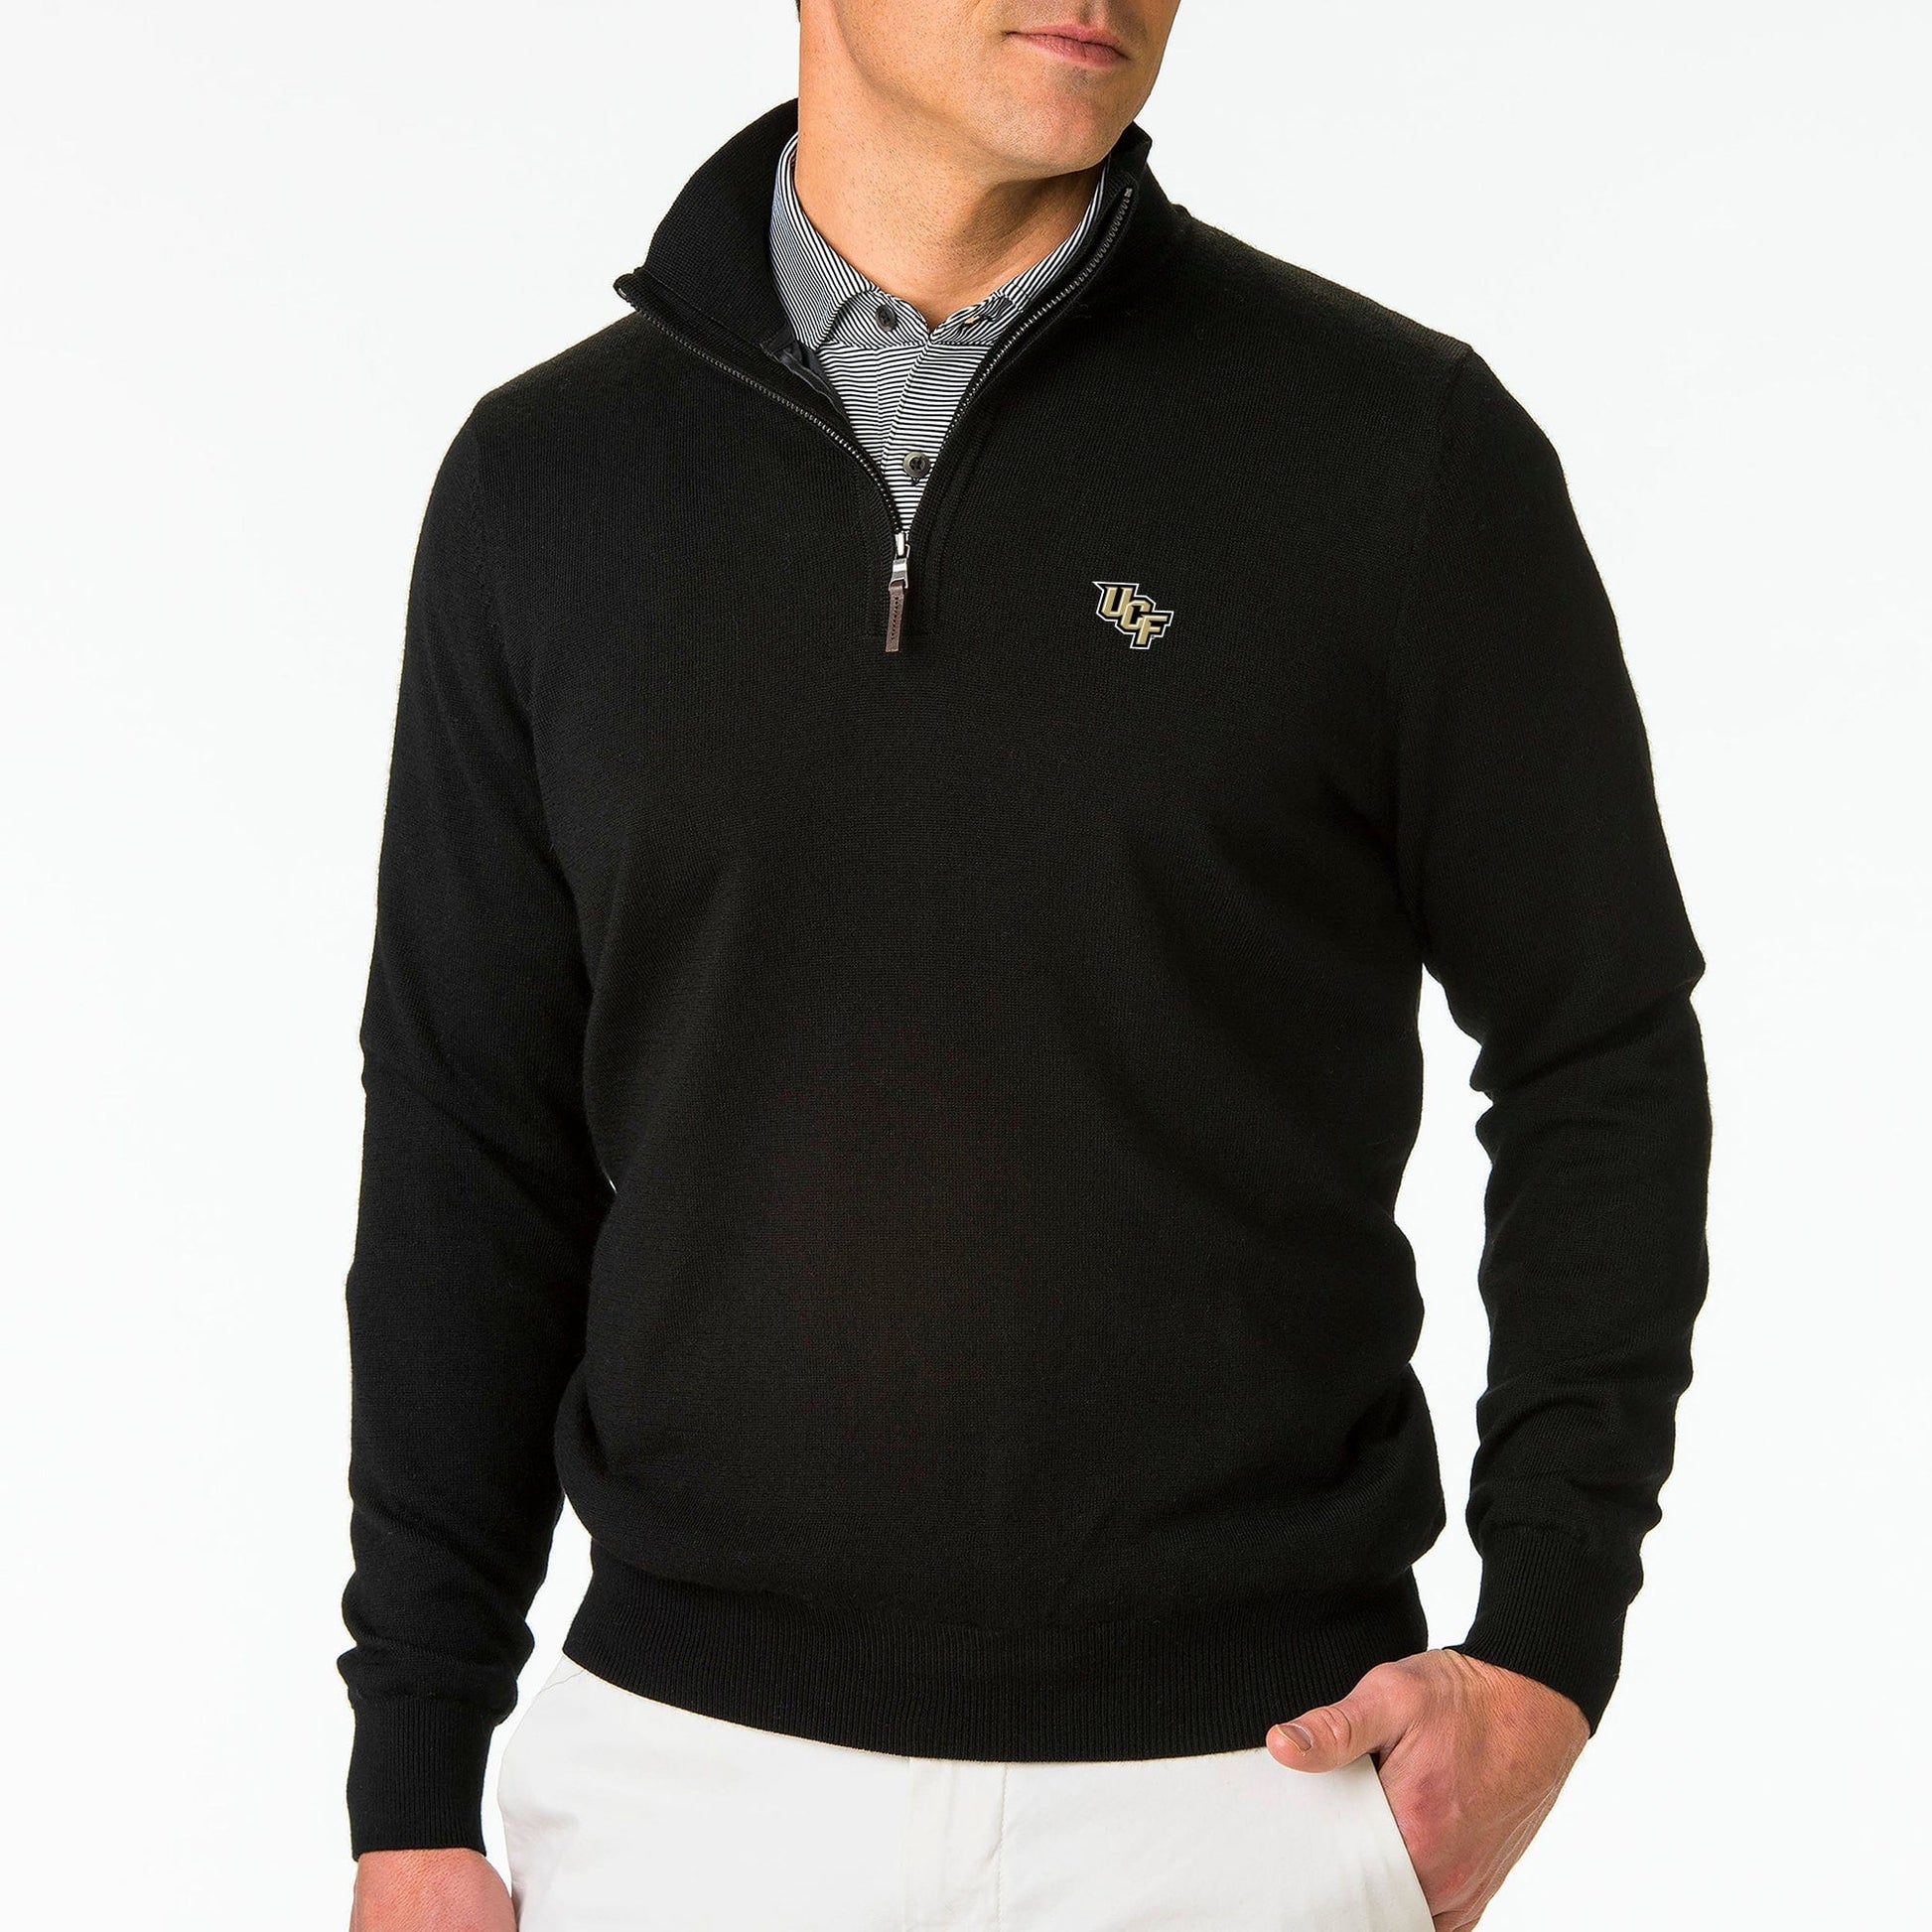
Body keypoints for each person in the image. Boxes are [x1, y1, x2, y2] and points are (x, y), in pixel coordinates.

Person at [339, 4, 1713, 1928]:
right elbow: (469, 1142)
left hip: (1250, 1795)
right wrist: (410, 1785)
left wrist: (1546, 1648)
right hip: (687, 1802)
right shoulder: (548, 487)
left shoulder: (1391, 449)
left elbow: (1598, 1050)